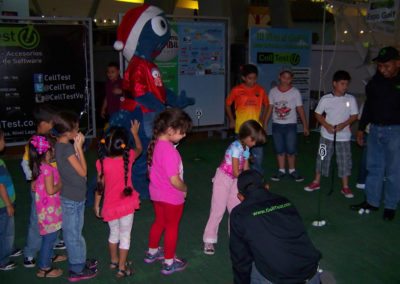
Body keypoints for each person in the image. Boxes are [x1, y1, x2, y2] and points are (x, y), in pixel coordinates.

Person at [230, 169, 321, 284]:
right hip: (310, 270)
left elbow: (240, 258)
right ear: (267, 187)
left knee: (253, 265)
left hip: (280, 278)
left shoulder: (239, 214)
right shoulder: (285, 201)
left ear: (240, 197)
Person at [351, 46, 400, 221]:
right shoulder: (375, 82)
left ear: (397, 63)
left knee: (394, 171)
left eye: (386, 66)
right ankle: (372, 201)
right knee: (374, 168)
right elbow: (369, 106)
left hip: (396, 131)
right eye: (380, 66)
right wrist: (361, 128)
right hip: (375, 130)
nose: (382, 69)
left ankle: (390, 205)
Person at [203, 120, 266, 255]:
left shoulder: (246, 148)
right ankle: (209, 239)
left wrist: (250, 180)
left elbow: (246, 168)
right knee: (218, 209)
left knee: (236, 209)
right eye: (254, 142)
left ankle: (235, 238)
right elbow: (237, 172)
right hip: (223, 179)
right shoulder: (236, 147)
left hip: (235, 181)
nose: (255, 145)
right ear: (248, 137)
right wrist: (250, 178)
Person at [144, 108, 192, 275]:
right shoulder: (170, 152)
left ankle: (152, 252)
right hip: (172, 198)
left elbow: (152, 173)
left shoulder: (154, 145)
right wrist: (185, 188)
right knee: (172, 227)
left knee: (159, 222)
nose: (184, 135)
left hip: (156, 195)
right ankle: (169, 262)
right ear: (171, 131)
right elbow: (175, 180)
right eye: (183, 132)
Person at [53, 111, 98, 281]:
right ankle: (76, 269)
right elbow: (83, 172)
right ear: (69, 131)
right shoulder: (68, 149)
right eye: (77, 128)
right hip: (72, 199)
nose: (79, 131)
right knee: (73, 234)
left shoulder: (60, 144)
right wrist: (79, 148)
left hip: (73, 197)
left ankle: (79, 260)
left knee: (75, 232)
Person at [94, 121, 142, 278]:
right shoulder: (129, 157)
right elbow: (140, 149)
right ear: (124, 146)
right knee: (125, 235)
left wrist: (96, 205)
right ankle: (122, 268)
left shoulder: (101, 163)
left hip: (110, 206)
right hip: (127, 205)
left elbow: (99, 188)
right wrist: (135, 133)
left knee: (113, 233)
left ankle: (114, 260)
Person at [21, 104, 65, 269]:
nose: (53, 124)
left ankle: (49, 250)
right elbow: (25, 163)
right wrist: (33, 178)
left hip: (53, 187)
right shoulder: (34, 142)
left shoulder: (51, 138)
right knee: (37, 220)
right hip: (41, 190)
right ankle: (30, 253)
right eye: (51, 121)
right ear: (42, 123)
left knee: (53, 219)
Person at [304, 70, 358, 198]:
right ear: (334, 83)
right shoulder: (326, 98)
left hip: (343, 138)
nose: (345, 87)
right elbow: (317, 114)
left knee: (344, 160)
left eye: (347, 84)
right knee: (321, 157)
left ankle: (345, 187)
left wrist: (343, 125)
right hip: (325, 136)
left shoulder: (350, 99)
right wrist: (327, 126)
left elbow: (354, 115)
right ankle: (316, 181)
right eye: (342, 84)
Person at [28, 135, 67, 278]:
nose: (54, 152)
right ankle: (44, 268)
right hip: (50, 210)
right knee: (49, 238)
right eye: (52, 149)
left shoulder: (39, 166)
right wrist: (60, 184)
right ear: (47, 152)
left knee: (49, 236)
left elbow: (38, 184)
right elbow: (51, 190)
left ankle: (49, 256)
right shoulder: (48, 169)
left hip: (45, 209)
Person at [265, 69, 309, 182]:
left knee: (291, 149)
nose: (286, 79)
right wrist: (264, 124)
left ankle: (292, 170)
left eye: (289, 77)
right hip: (276, 125)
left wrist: (305, 125)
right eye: (284, 77)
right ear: (279, 77)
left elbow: (300, 109)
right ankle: (281, 170)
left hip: (290, 125)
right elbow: (269, 108)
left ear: (292, 79)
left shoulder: (295, 92)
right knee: (279, 149)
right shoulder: (273, 91)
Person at [226, 64, 269, 174]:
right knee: (242, 153)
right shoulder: (236, 90)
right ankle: (243, 175)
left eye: (255, 78)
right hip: (242, 128)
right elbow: (227, 104)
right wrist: (231, 120)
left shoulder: (260, 90)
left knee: (258, 154)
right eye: (250, 78)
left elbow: (267, 105)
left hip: (256, 128)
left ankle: (257, 175)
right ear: (244, 78)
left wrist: (263, 120)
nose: (252, 81)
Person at [0, 128, 18, 271]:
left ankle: (9, 248)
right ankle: (3, 260)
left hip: (5, 204)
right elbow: (0, 186)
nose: (4, 142)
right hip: (3, 206)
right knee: (5, 231)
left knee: (6, 231)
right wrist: (8, 204)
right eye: (3, 139)